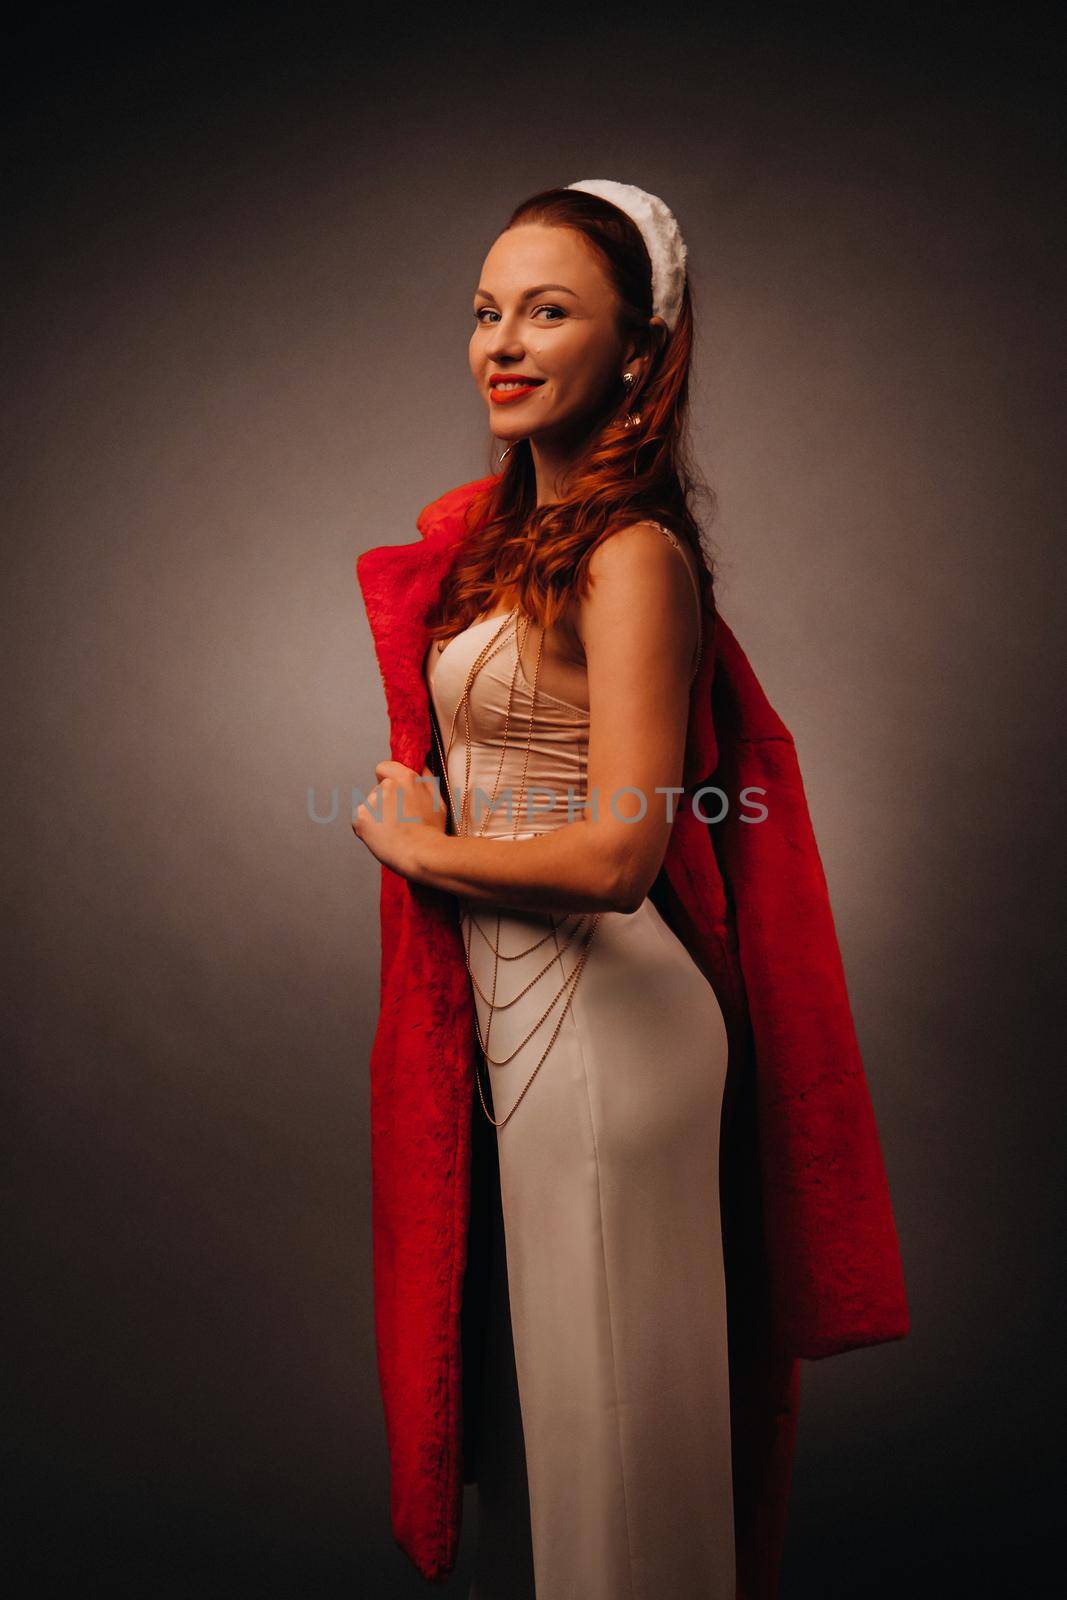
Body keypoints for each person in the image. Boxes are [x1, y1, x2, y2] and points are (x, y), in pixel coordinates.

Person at [352, 181, 909, 1599]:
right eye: (487, 310)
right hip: (519, 1044)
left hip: (611, 1042)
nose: (503, 341)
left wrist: (421, 849)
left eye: (550, 310)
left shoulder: (633, 556)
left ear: (641, 353)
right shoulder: (495, 548)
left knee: (617, 1446)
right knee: (564, 1449)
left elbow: (623, 856)